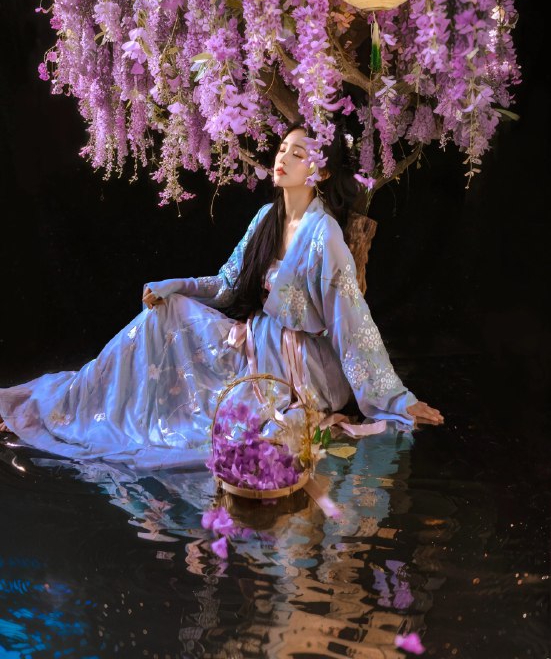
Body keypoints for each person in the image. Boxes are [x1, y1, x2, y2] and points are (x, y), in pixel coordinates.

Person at [0, 126, 443, 467]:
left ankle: (77, 409)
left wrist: (398, 400)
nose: (283, 158)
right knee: (165, 315)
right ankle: (74, 405)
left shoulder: (323, 234)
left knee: (221, 412)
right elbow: (227, 283)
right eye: (282, 149)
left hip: (302, 365)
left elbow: (351, 320)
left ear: (321, 172)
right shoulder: (266, 217)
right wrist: (174, 286)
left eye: (298, 154)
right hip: (257, 342)